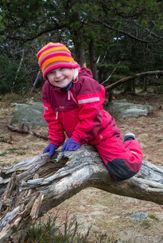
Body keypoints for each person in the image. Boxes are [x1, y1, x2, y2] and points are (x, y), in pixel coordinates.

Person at [36, 42, 143, 181]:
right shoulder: (48, 90)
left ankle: (130, 142)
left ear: (71, 65)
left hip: (101, 134)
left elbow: (92, 117)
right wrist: (55, 141)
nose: (58, 75)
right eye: (51, 72)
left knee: (124, 170)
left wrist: (77, 138)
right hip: (80, 137)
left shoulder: (85, 84)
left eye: (62, 68)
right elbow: (52, 118)